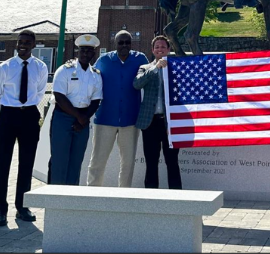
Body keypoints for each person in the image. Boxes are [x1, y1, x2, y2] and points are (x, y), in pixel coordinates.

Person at [0, 30, 48, 226]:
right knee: (3, 162)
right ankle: (1, 209)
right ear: (16, 44)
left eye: (27, 42)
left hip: (29, 116)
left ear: (33, 44)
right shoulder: (5, 67)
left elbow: (40, 92)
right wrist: (10, 111)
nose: (22, 45)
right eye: (20, 42)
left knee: (26, 163)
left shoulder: (40, 67)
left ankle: (22, 207)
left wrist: (25, 108)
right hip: (8, 116)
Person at [87, 30, 149, 187]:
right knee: (97, 162)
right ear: (115, 44)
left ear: (131, 43)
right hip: (105, 119)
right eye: (121, 42)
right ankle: (92, 195)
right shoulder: (104, 60)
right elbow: (89, 78)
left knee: (128, 163)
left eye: (127, 42)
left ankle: (124, 196)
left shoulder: (140, 59)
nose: (124, 45)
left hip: (130, 120)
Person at [49, 34, 103, 185]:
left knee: (76, 161)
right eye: (83, 50)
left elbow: (96, 100)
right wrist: (79, 117)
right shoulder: (65, 70)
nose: (86, 54)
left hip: (84, 120)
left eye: (89, 51)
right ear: (78, 52)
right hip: (63, 117)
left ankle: (71, 199)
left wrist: (83, 119)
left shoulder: (96, 75)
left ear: (94, 53)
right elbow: (59, 96)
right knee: (59, 160)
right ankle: (56, 201)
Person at [133, 35, 182, 189]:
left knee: (172, 161)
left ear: (168, 49)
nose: (160, 49)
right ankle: (151, 196)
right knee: (151, 162)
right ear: (153, 50)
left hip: (170, 122)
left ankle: (177, 196)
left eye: (163, 47)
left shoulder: (177, 69)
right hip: (150, 122)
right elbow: (137, 84)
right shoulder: (145, 68)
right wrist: (156, 68)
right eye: (157, 47)